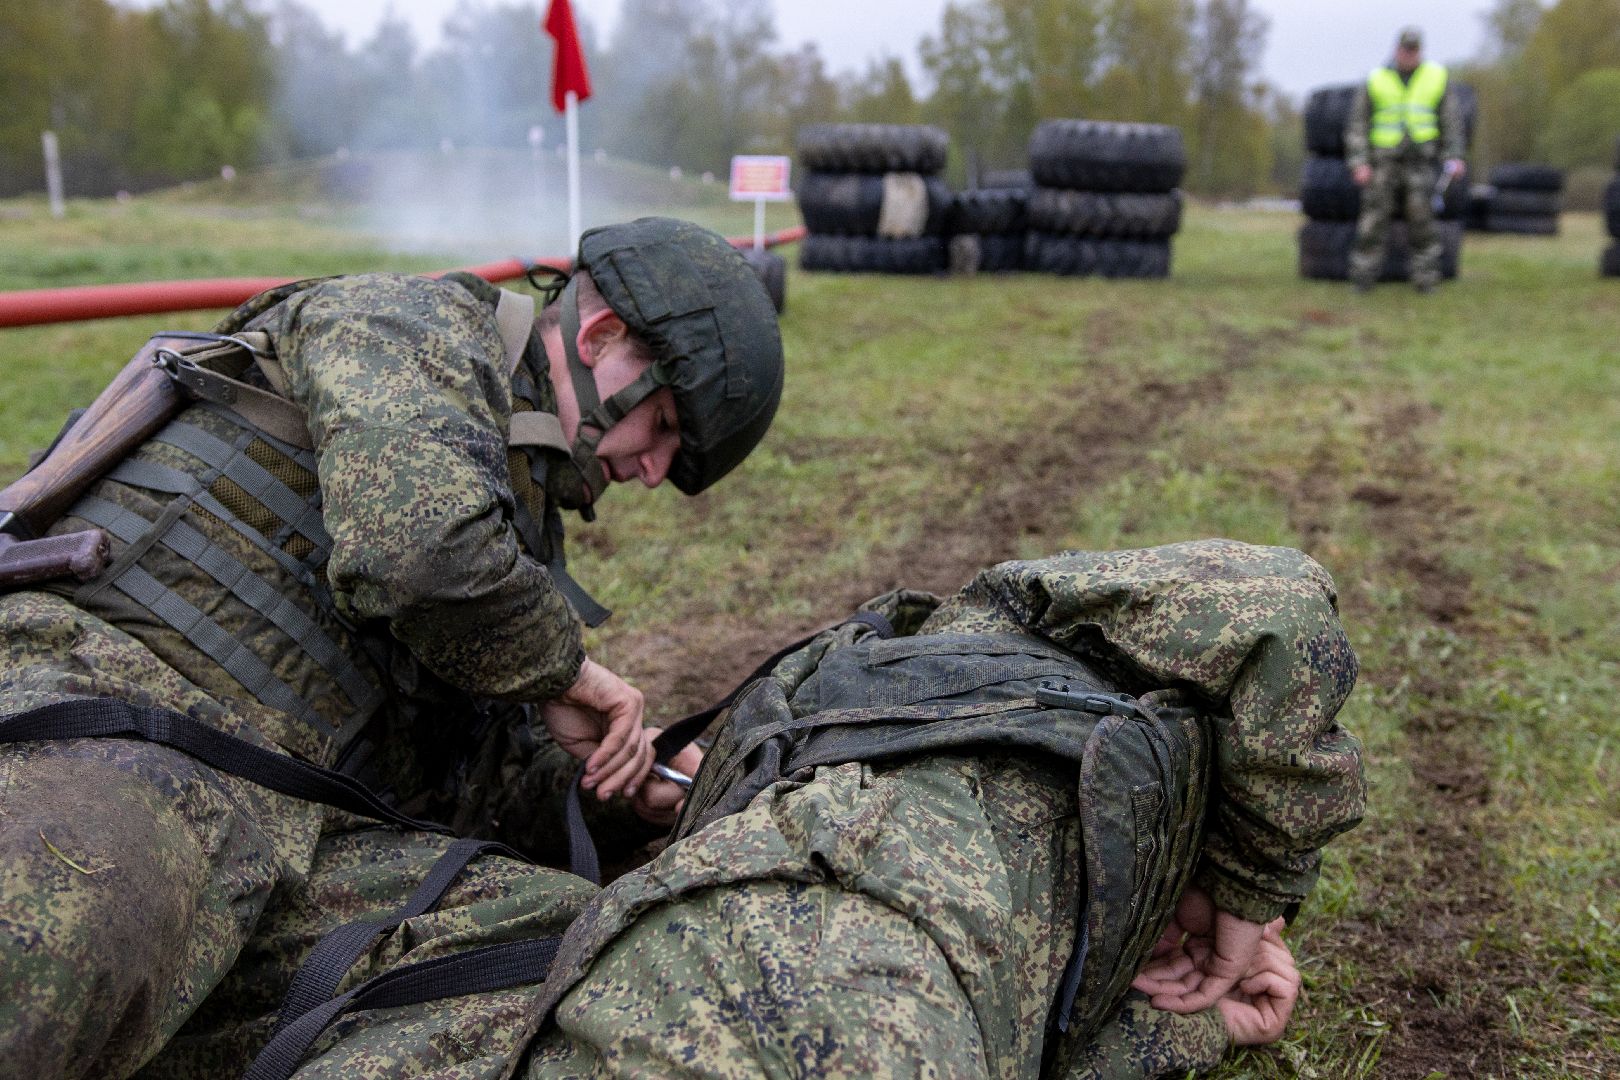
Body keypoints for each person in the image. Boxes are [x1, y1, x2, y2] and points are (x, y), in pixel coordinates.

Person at [0, 216, 783, 1078]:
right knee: (47, 947)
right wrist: (567, 668)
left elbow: (479, 793)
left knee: (592, 966)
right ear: (600, 339)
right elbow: (413, 550)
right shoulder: (409, 326)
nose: (647, 471)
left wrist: (612, 790)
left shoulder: (514, 526)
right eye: (664, 428)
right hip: (128, 725)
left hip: (305, 841)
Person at [249, 539, 1363, 1080]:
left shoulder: (983, 666)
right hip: (722, 963)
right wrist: (1250, 901)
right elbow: (1278, 603)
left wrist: (1200, 1021)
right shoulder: (1035, 668)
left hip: (668, 962)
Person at [1345, 26, 1467, 294]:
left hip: (1420, 162)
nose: (1408, 54)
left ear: (1419, 51)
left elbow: (1451, 122)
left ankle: (1426, 279)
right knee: (1373, 220)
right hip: (1383, 162)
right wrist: (1359, 162)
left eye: (1413, 50)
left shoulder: (1436, 77)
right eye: (1405, 49)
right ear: (1396, 49)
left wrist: (1455, 156)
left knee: (1423, 221)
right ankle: (1362, 277)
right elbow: (1357, 124)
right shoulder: (1376, 79)